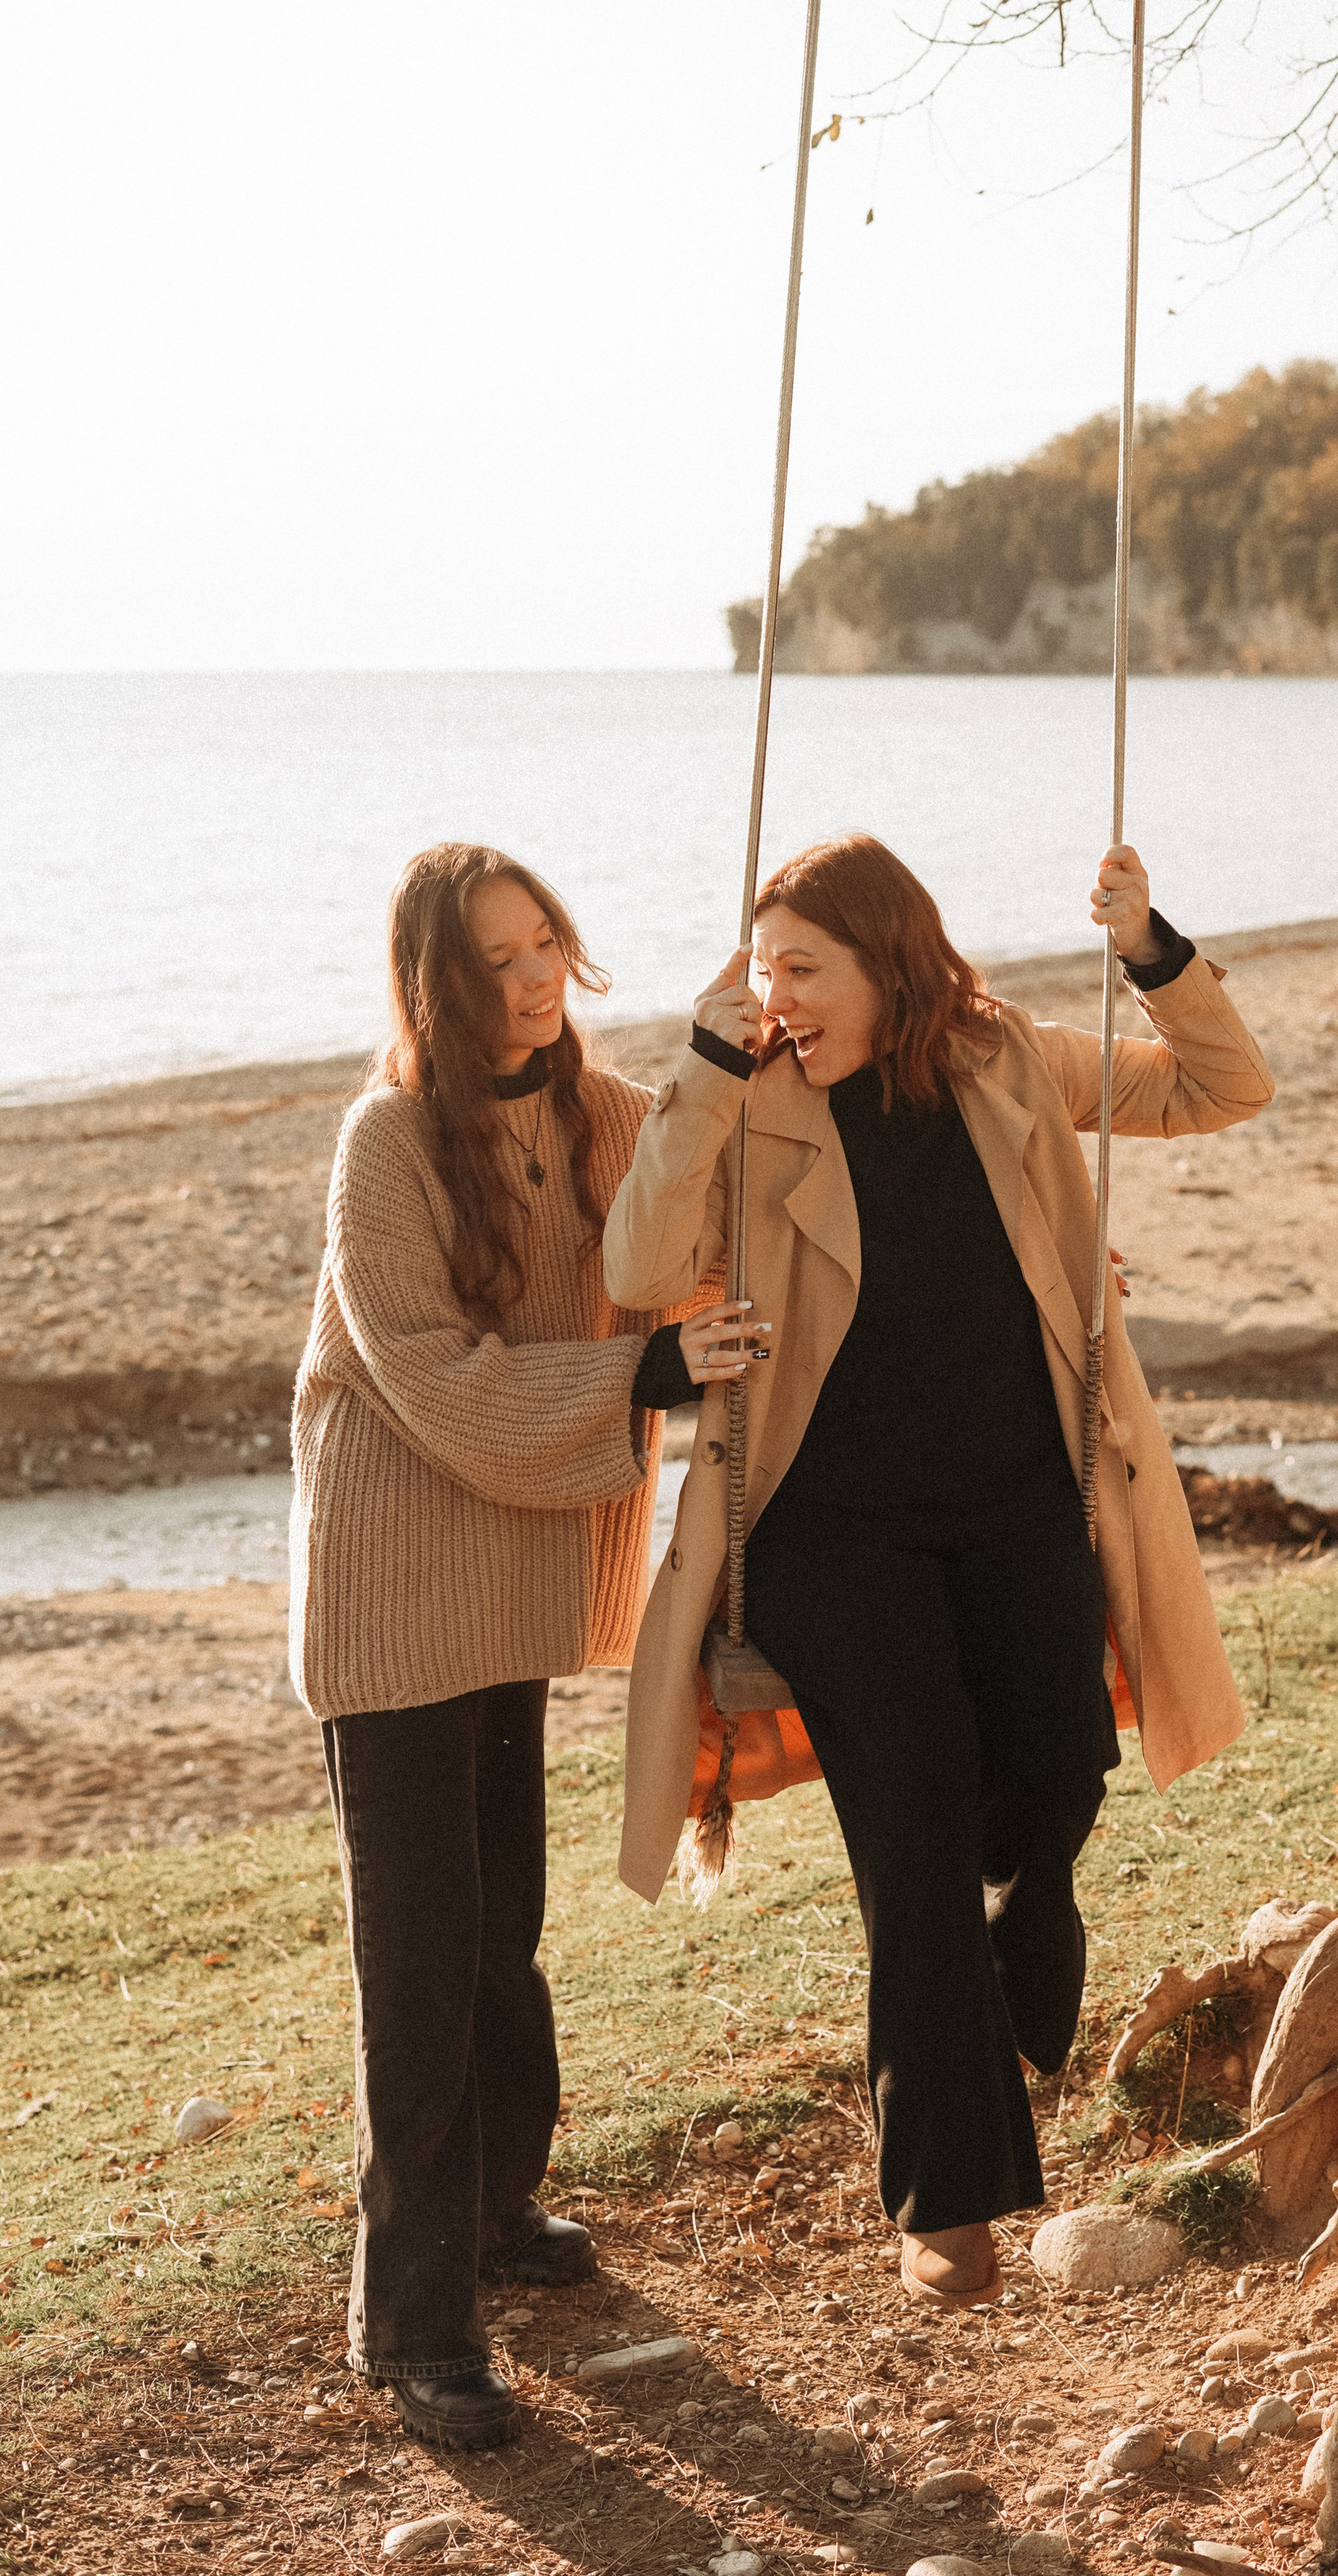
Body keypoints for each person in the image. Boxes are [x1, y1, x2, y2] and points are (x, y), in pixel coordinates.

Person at [602, 833, 1275, 2308]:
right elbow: (640, 1265)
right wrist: (707, 1071)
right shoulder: (745, 1100)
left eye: (805, 968)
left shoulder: (1008, 1060)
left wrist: (1149, 946)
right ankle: (948, 2207)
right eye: (763, 968)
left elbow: (1222, 1086)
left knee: (1055, 1782)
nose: (778, 995)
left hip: (1018, 1500)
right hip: (823, 1531)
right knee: (909, 1832)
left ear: (891, 962)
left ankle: (1028, 1922)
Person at [289, 841, 760, 2448]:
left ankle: (496, 2213)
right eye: (492, 957)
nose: (531, 974)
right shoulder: (381, 1145)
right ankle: (409, 2319)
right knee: (419, 1967)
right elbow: (428, 1374)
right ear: (434, 979)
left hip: (507, 1588)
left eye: (541, 938)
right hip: (391, 1596)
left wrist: (726, 1057)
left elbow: (701, 1218)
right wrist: (645, 1383)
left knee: (505, 1933)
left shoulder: (601, 1113)